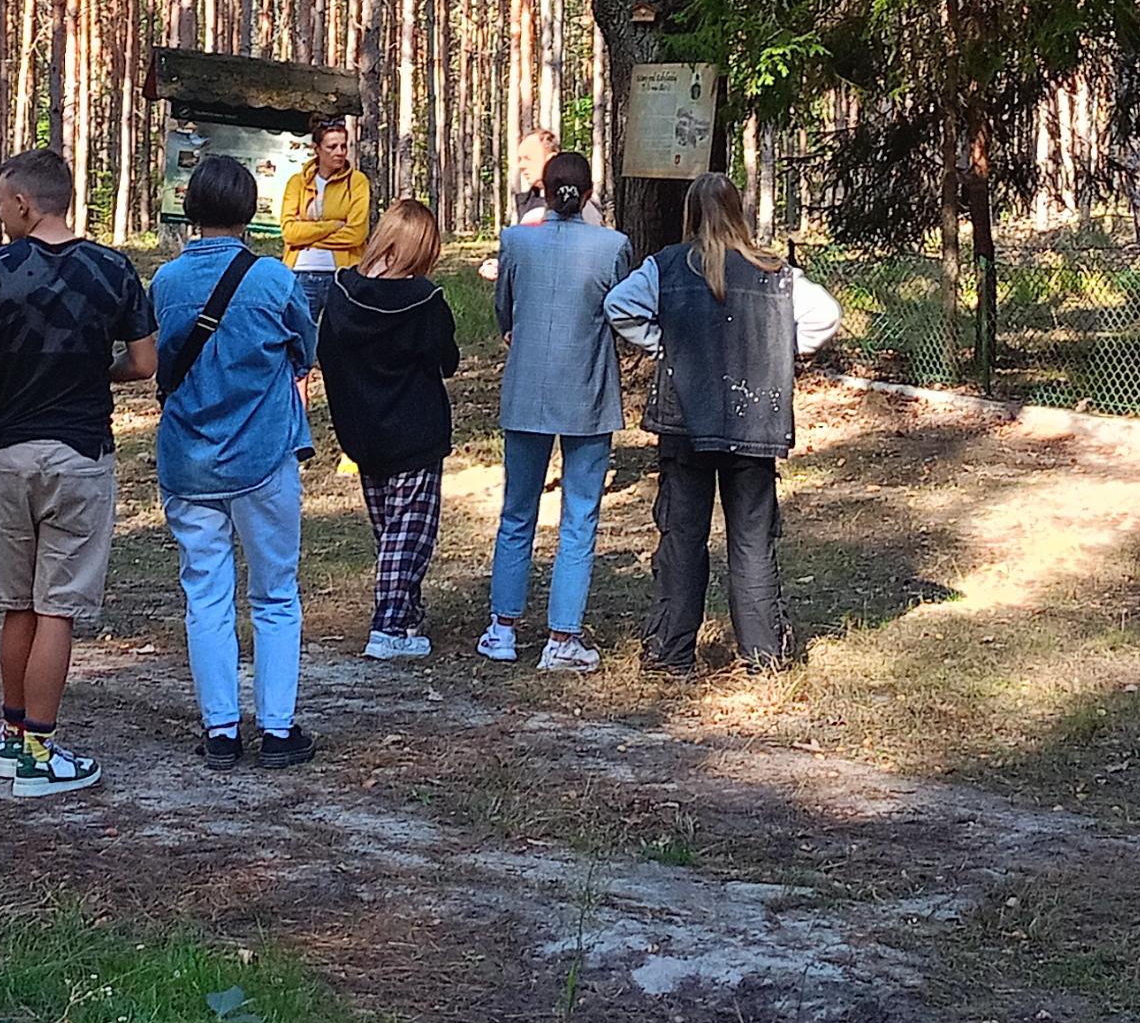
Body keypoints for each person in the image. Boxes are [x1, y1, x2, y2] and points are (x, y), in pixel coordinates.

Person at [0, 144, 157, 799]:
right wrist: (100, 371)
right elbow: (144, 362)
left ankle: (11, 738)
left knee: (17, 604)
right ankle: (40, 750)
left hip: (10, 453)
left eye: (2, 200)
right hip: (80, 455)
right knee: (58, 607)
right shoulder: (114, 269)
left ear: (25, 204)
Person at [605, 174, 843, 675]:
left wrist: (662, 345)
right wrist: (779, 351)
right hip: (753, 421)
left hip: (686, 422)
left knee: (682, 538)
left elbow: (618, 307)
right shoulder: (775, 272)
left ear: (691, 214)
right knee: (753, 540)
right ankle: (763, 658)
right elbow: (826, 316)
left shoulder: (666, 265)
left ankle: (671, 656)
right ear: (739, 212)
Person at [151, 152, 318, 766]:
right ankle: (278, 728)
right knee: (275, 594)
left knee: (206, 594)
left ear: (191, 207)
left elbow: (155, 359)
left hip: (189, 461)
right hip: (264, 456)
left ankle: (220, 728)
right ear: (252, 209)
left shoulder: (166, 282)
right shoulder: (274, 279)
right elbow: (305, 346)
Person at [481, 148, 629, 673]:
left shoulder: (516, 240)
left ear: (542, 191)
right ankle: (562, 636)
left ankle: (502, 628)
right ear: (588, 194)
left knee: (517, 511)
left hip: (527, 390)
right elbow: (620, 310)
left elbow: (505, 307)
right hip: (587, 390)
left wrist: (514, 336)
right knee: (580, 515)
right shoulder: (613, 246)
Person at [315, 196, 461, 660]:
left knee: (390, 532)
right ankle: (389, 626)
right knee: (409, 532)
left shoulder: (341, 292)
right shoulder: (425, 301)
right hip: (415, 433)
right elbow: (447, 360)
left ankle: (407, 614)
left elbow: (326, 355)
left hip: (362, 433)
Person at [278, 114, 371, 323]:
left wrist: (308, 237)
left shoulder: (357, 182)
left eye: (343, 146)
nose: (340, 152)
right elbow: (290, 233)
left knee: (342, 340)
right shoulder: (297, 183)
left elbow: (356, 234)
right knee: (299, 338)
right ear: (317, 149)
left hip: (343, 275)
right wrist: (333, 225)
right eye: (332, 147)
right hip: (301, 272)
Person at [477, 128, 556, 280]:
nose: (521, 166)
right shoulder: (526, 203)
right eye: (519, 159)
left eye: (528, 158)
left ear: (551, 159)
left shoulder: (577, 205)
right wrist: (503, 265)